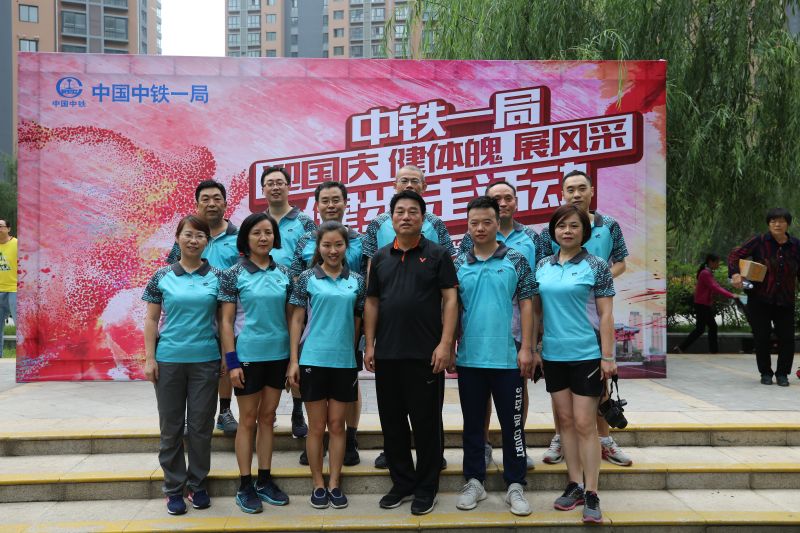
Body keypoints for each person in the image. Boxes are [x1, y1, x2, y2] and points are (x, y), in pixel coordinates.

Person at [364, 191, 458, 516]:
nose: (406, 216)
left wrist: (445, 344)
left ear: (423, 218)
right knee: (392, 423)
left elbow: (450, 300)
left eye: (413, 212)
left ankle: (426, 487)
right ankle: (402, 482)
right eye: (400, 211)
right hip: (388, 354)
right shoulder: (379, 258)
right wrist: (370, 344)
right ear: (391, 218)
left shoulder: (438, 254)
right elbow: (372, 302)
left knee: (426, 423)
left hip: (425, 355)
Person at [540, 169, 631, 467]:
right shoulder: (551, 228)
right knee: (561, 390)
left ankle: (604, 439)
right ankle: (560, 437)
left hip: (594, 312)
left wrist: (596, 279)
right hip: (560, 318)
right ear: (562, 194)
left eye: (582, 188)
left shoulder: (610, 225)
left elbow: (621, 263)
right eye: (570, 189)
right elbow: (543, 270)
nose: (576, 194)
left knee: (599, 386)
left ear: (592, 191)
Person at [532, 204, 617, 524]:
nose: (567, 231)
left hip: (587, 355)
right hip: (554, 355)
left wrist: (608, 356)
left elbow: (606, 314)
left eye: (574, 226)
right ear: (553, 231)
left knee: (584, 423)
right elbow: (536, 312)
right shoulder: (543, 265)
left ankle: (592, 492)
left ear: (585, 231)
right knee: (565, 421)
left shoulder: (596, 265)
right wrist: (535, 348)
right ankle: (574, 484)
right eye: (561, 226)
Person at [454, 196, 535, 516]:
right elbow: (452, 307)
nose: (480, 228)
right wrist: (449, 346)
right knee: (473, 425)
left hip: (507, 358)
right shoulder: (458, 263)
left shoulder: (516, 259)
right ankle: (474, 481)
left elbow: (527, 304)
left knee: (512, 426)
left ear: (497, 223)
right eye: (474, 223)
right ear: (467, 226)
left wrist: (527, 348)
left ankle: (515, 484)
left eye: (487, 222)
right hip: (470, 359)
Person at [142, 215, 223, 515]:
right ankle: (174, 489)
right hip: (169, 361)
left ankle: (197, 484)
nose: (193, 240)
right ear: (178, 238)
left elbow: (225, 322)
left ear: (207, 241)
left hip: (206, 361)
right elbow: (151, 319)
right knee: (171, 427)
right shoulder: (161, 276)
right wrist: (150, 358)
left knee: (201, 427)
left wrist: (227, 359)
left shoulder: (218, 277)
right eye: (188, 234)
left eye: (200, 236)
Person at [287, 221, 366, 510]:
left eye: (338, 245)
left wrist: (352, 351)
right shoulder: (307, 278)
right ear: (318, 248)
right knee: (317, 427)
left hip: (343, 363)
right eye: (327, 245)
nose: (333, 250)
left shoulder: (356, 280)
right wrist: (293, 360)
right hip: (312, 360)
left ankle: (334, 483)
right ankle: (318, 484)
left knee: (337, 426)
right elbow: (297, 319)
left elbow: (358, 320)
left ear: (346, 247)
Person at [219, 213, 291, 514]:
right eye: (257, 233)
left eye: (268, 233)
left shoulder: (285, 273)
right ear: (245, 238)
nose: (263, 238)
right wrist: (232, 362)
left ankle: (264, 479)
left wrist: (292, 360)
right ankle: (245, 484)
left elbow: (292, 318)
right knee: (247, 419)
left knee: (268, 417)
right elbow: (225, 321)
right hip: (247, 357)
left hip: (278, 356)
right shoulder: (233, 274)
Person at [166, 180, 240, 436]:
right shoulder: (188, 235)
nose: (211, 203)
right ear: (197, 205)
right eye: (205, 199)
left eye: (217, 198)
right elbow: (172, 269)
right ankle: (190, 418)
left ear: (225, 203)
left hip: (228, 309)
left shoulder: (238, 237)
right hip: (194, 311)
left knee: (227, 358)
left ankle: (225, 411)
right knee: (196, 364)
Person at [261, 165, 317, 439]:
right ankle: (266, 413)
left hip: (297, 300)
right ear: (263, 189)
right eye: (270, 183)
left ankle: (297, 411)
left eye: (279, 182)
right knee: (267, 354)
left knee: (297, 354)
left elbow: (314, 258)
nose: (275, 187)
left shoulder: (305, 221)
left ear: (288, 186)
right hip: (264, 299)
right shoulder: (256, 221)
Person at [728, 207, 800, 387]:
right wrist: (735, 274)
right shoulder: (759, 241)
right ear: (768, 224)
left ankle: (782, 374)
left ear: (787, 224)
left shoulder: (796, 245)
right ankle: (766, 373)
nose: (777, 224)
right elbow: (735, 254)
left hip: (785, 299)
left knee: (787, 339)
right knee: (762, 337)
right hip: (760, 298)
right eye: (773, 221)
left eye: (781, 221)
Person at [674, 254, 738, 354]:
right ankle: (683, 348)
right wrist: (731, 295)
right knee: (704, 328)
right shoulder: (705, 273)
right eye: (717, 262)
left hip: (703, 304)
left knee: (707, 328)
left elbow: (714, 286)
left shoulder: (707, 272)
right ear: (710, 262)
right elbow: (715, 287)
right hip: (702, 305)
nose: (718, 264)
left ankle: (682, 348)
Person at [0, 219, 18, 327]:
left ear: (8, 229)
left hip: (15, 290)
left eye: (0, 226)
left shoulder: (18, 244)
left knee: (21, 325)